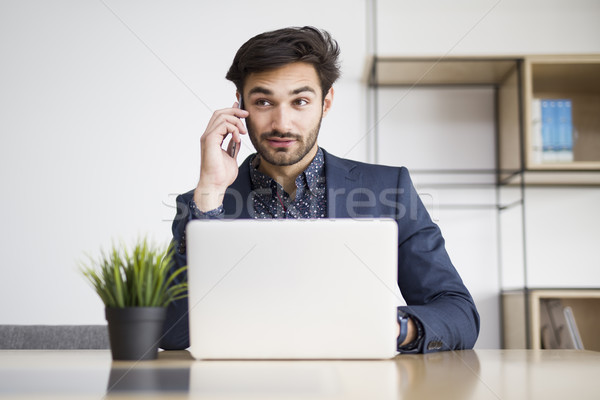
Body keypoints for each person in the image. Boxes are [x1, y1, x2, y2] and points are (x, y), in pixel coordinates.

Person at [161, 26, 480, 353]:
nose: (282, 123)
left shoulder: (389, 189)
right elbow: (171, 334)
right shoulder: (202, 203)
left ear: (326, 102)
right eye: (263, 101)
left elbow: (459, 313)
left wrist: (396, 328)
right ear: (240, 105)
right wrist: (210, 194)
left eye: (300, 101)